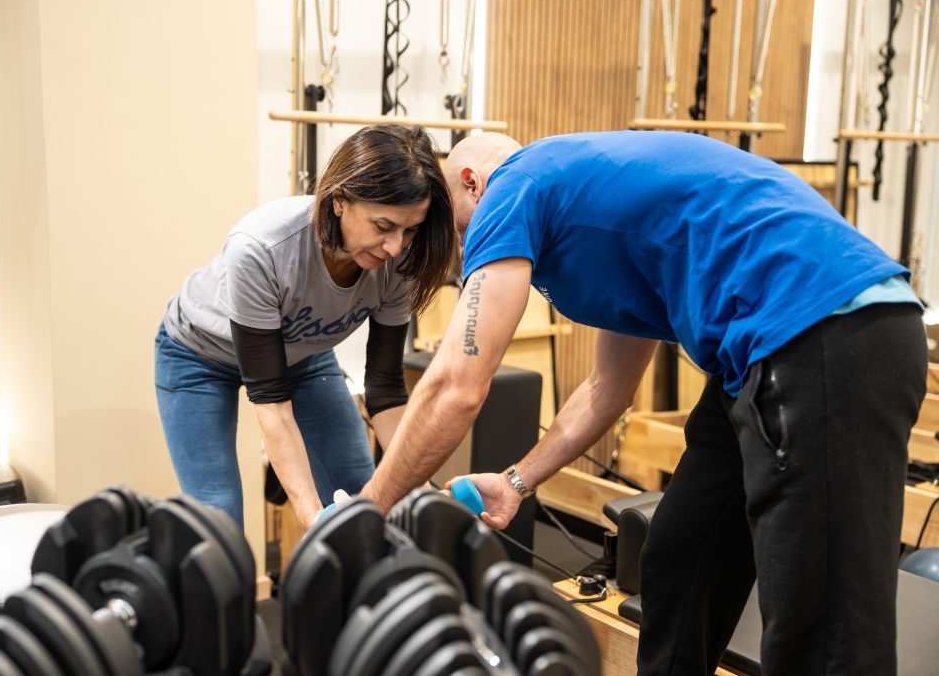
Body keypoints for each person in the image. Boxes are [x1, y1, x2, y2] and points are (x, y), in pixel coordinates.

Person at [359, 130, 927, 675]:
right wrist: (516, 483)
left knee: (822, 636)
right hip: (758, 354)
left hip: (824, 328)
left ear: (471, 182)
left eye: (457, 229)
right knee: (682, 558)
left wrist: (367, 511)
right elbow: (607, 390)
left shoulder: (514, 185)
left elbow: (456, 386)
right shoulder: (583, 204)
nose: (463, 247)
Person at [156, 124, 454, 530]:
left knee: (358, 489)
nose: (395, 246)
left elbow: (385, 391)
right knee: (217, 517)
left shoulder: (400, 261)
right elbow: (272, 404)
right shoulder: (261, 248)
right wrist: (313, 517)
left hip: (302, 356)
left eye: (410, 229)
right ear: (339, 201)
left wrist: (422, 492)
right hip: (198, 354)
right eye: (383, 226)